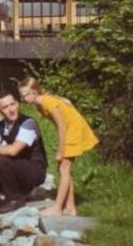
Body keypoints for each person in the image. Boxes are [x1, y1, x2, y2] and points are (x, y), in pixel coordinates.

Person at [18, 77, 99, 217]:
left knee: (63, 167)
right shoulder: (41, 102)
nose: (22, 98)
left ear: (34, 93)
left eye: (24, 95)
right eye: (21, 95)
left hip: (73, 131)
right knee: (63, 168)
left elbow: (61, 128)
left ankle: (57, 208)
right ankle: (70, 207)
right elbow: (64, 102)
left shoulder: (46, 102)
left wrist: (60, 152)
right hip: (69, 130)